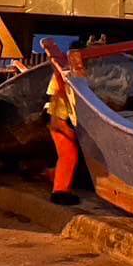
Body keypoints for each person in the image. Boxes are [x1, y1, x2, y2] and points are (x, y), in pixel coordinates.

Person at [46, 66, 80, 206]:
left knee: (66, 156)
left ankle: (49, 174)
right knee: (69, 156)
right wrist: (69, 133)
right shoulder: (63, 89)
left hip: (60, 120)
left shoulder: (62, 80)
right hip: (60, 122)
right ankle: (60, 191)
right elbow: (57, 121)